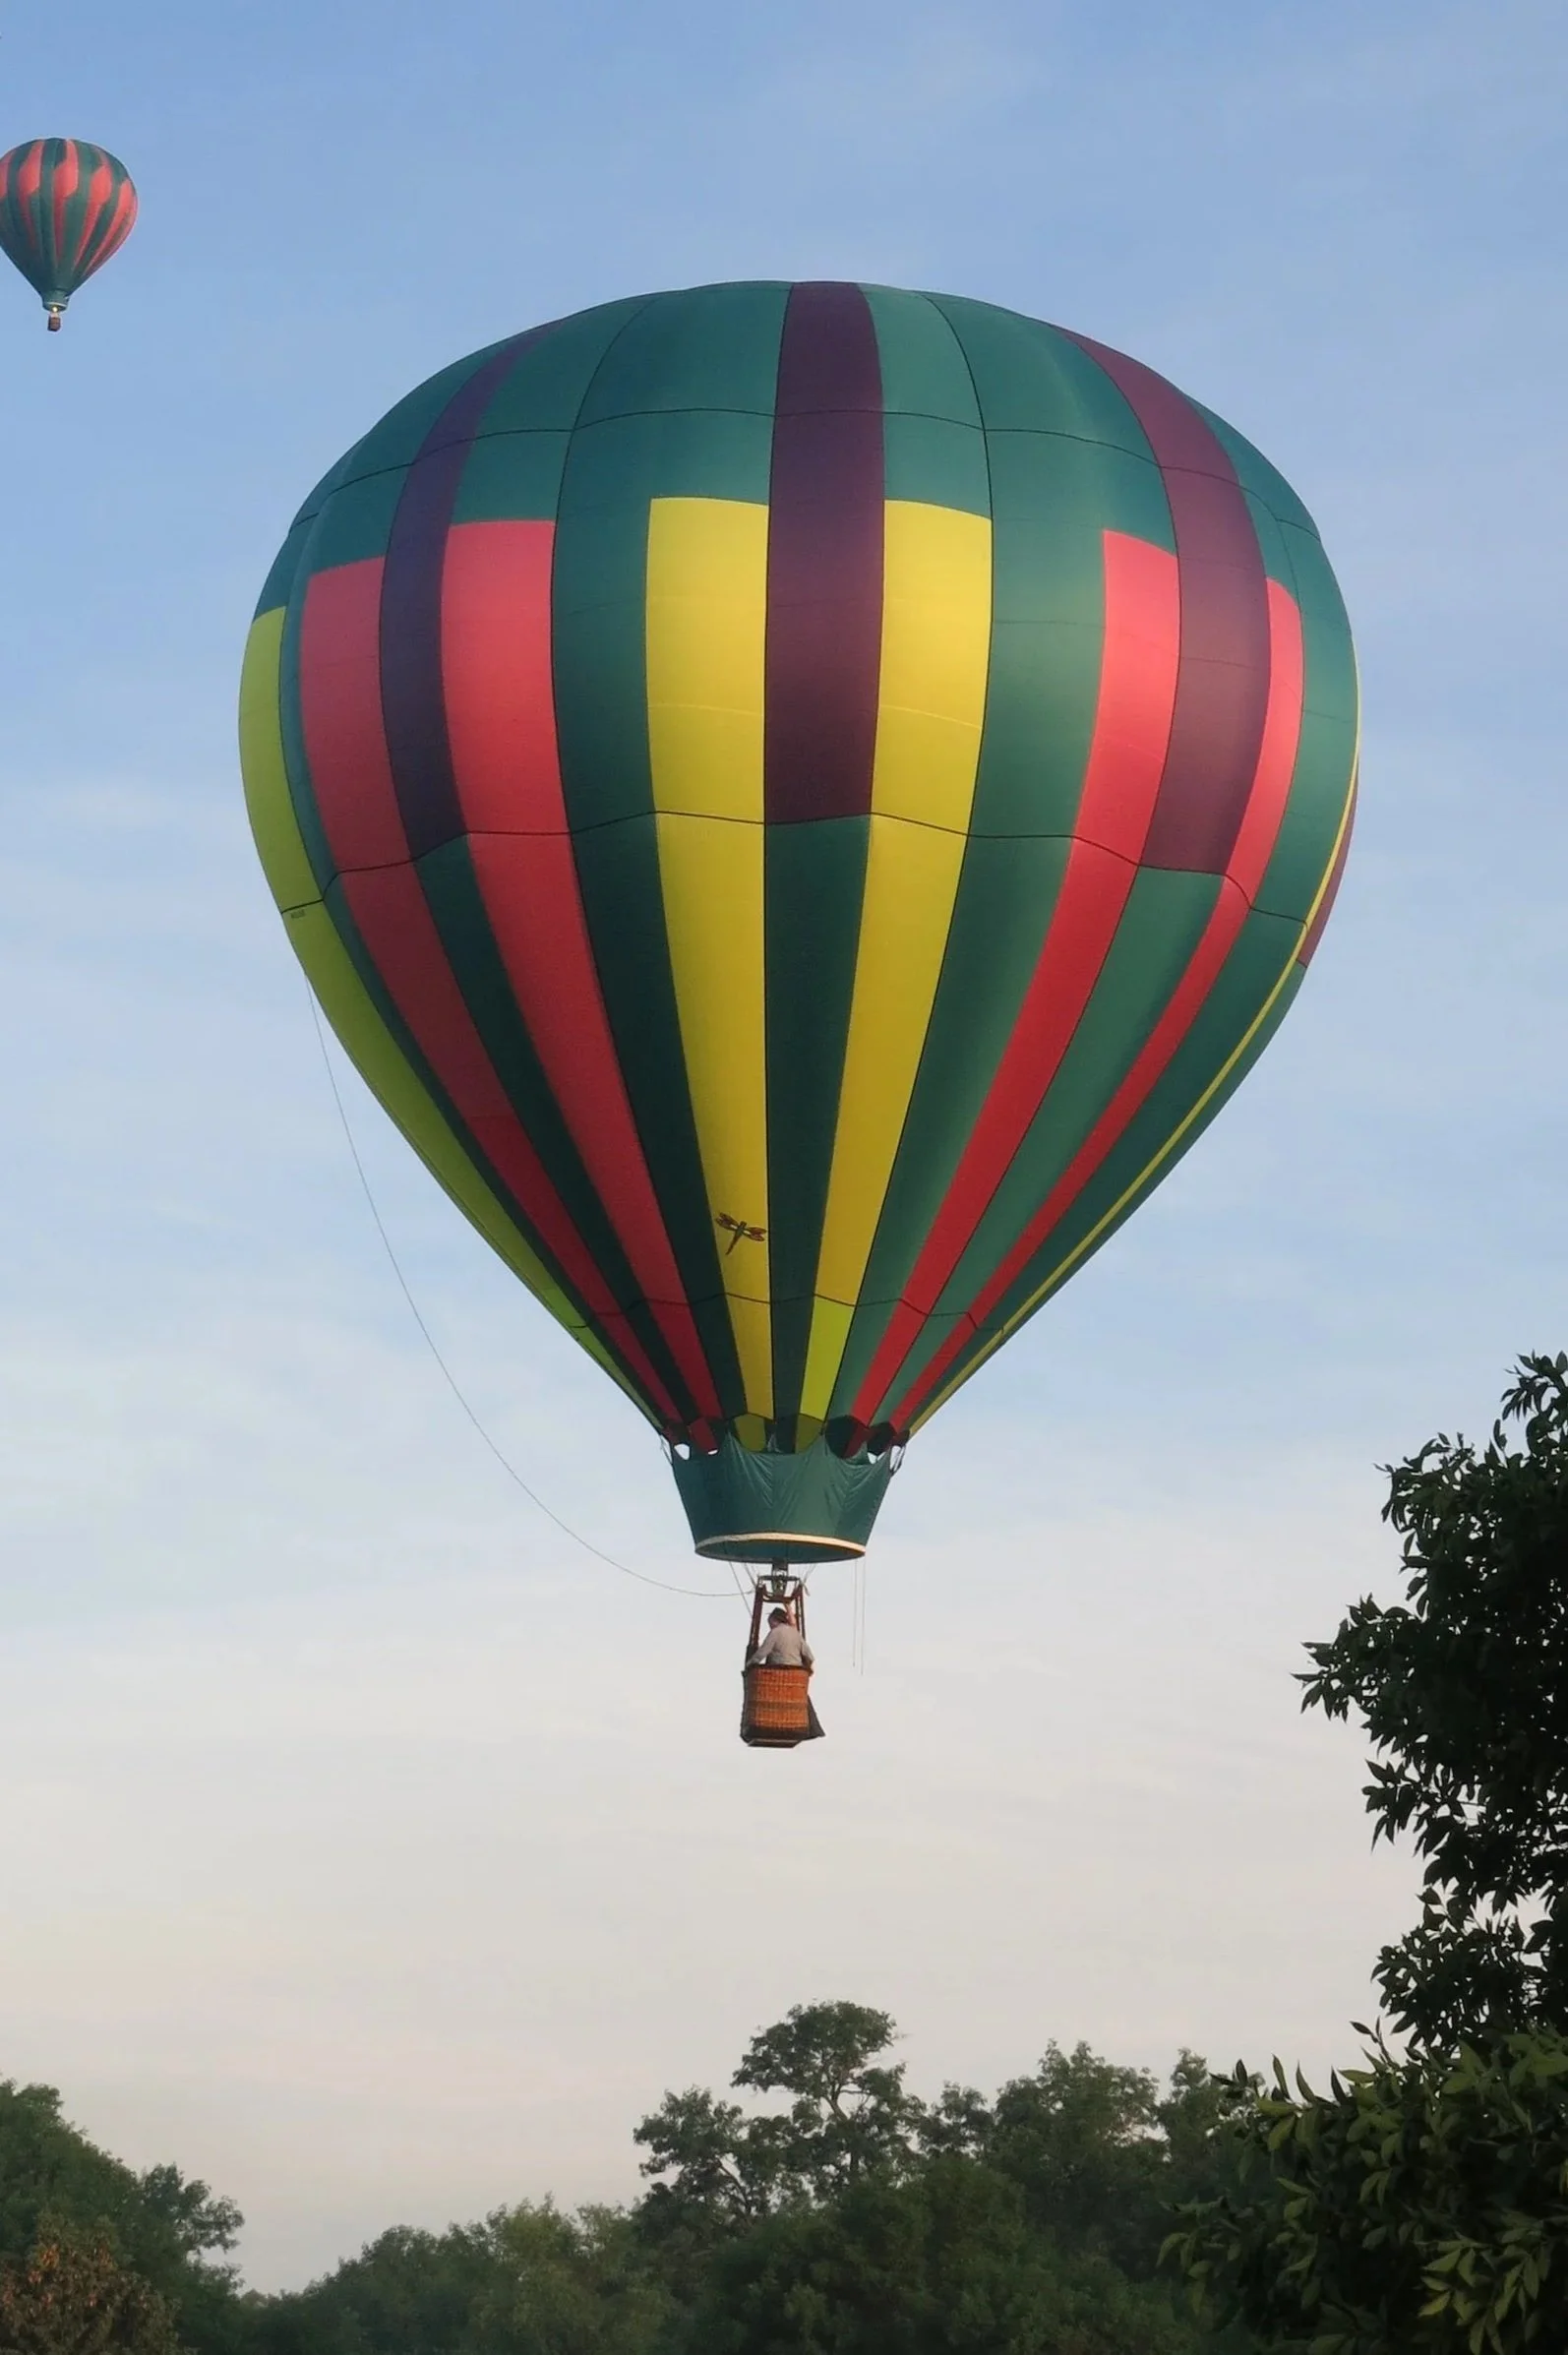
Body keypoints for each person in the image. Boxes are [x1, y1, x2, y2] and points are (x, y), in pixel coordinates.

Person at [750, 1605, 814, 1672]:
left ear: (774, 1620)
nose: (770, 1627)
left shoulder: (775, 1632)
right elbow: (809, 1656)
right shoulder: (796, 1633)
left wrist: (750, 1664)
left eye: (770, 1623)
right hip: (797, 1674)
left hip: (777, 1672)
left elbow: (762, 1652)